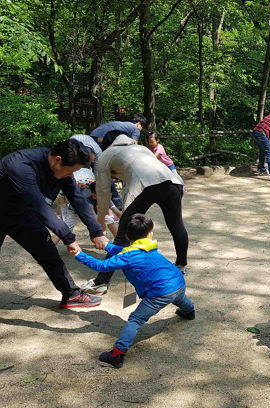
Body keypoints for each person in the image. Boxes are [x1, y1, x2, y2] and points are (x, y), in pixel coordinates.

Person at [72, 214, 195, 368]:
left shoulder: (128, 256)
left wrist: (79, 254)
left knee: (135, 320)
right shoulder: (149, 245)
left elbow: (101, 266)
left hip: (159, 294)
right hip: (178, 282)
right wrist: (107, 245)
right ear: (149, 234)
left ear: (126, 235)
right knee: (179, 298)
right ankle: (189, 311)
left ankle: (117, 354)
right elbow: (126, 251)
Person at [0, 139, 108, 308]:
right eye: (72, 171)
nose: (71, 175)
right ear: (58, 159)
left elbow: (77, 198)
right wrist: (69, 238)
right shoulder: (21, 166)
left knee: (47, 250)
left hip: (20, 213)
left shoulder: (62, 168)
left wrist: (96, 231)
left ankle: (71, 294)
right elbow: (40, 207)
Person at [81, 134, 188, 295]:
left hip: (145, 186)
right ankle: (181, 265)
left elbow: (102, 192)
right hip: (172, 183)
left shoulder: (106, 155)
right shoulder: (141, 148)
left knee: (122, 234)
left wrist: (101, 218)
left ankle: (101, 282)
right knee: (176, 225)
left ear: (108, 145)